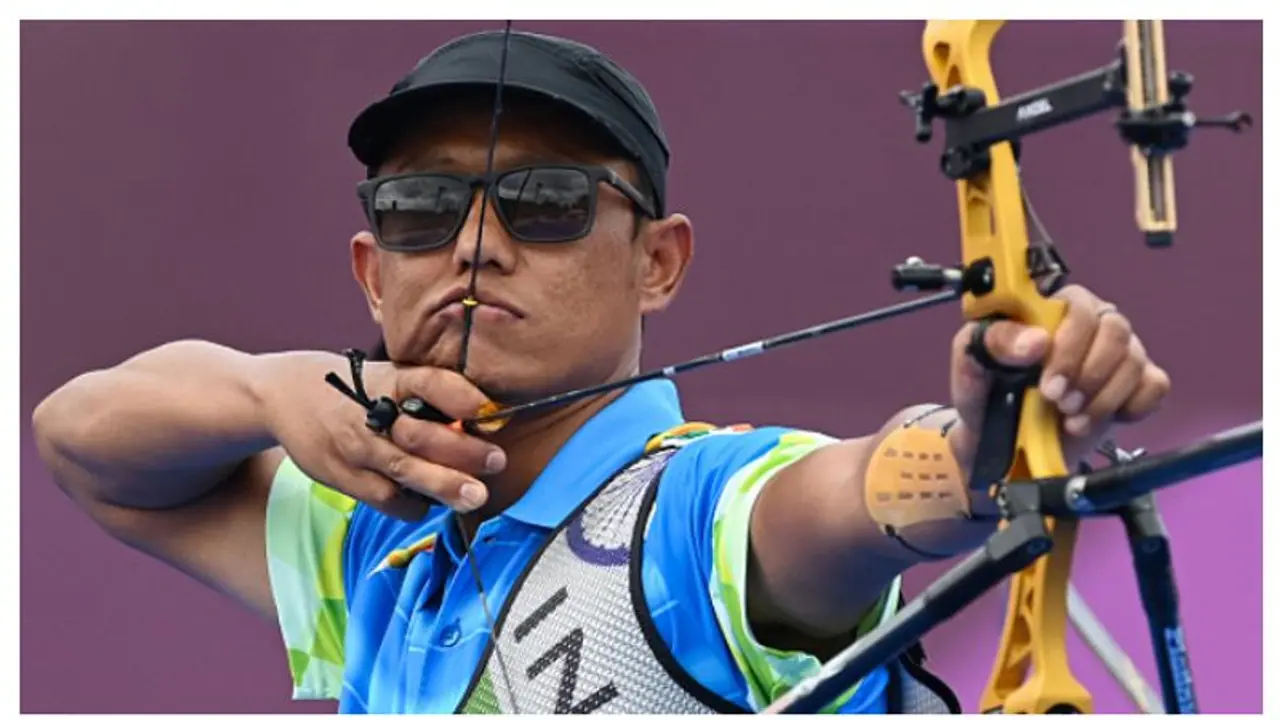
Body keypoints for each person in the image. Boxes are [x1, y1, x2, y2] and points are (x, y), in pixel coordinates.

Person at [31, 28, 1170, 714]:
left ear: (658, 262)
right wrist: (272, 388)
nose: (476, 242)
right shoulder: (380, 535)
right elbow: (84, 441)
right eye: (423, 209)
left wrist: (991, 435)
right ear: (373, 274)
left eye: (545, 202)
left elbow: (863, 500)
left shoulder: (700, 512)